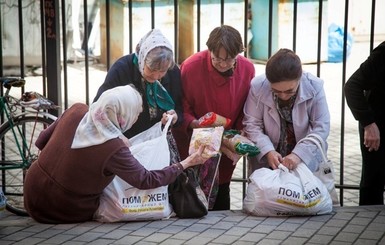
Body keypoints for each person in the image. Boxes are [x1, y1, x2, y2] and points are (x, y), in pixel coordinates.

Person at [23, 85, 208, 224]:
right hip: (61, 208)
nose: (137, 117)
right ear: (121, 116)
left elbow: (41, 141)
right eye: (136, 112)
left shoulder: (77, 110)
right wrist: (185, 163)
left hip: (30, 190)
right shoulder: (112, 148)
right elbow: (145, 180)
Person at [173, 25, 255, 210]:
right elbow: (180, 103)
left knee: (222, 187)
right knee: (191, 190)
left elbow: (247, 106)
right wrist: (193, 123)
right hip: (194, 138)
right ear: (209, 50)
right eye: (217, 58)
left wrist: (239, 132)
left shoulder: (248, 69)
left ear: (238, 53)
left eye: (229, 59)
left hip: (226, 141)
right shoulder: (191, 66)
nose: (223, 64)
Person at [243, 48, 330, 173]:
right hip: (268, 161)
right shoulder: (258, 86)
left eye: (289, 91)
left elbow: (321, 127)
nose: (283, 95)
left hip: (305, 159)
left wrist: (299, 154)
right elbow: (252, 124)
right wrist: (267, 150)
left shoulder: (315, 86)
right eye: (276, 91)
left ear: (299, 78)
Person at [93, 29, 183, 139]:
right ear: (142, 59)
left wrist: (175, 117)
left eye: (162, 71)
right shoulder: (122, 70)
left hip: (158, 141)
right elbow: (99, 109)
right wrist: (118, 138)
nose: (155, 76)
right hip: (125, 140)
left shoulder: (172, 71)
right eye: (151, 69)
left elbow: (179, 107)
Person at [344, 41, 385, 205]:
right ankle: (367, 223)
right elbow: (352, 86)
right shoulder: (383, 53)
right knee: (373, 183)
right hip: (377, 127)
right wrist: (368, 123)